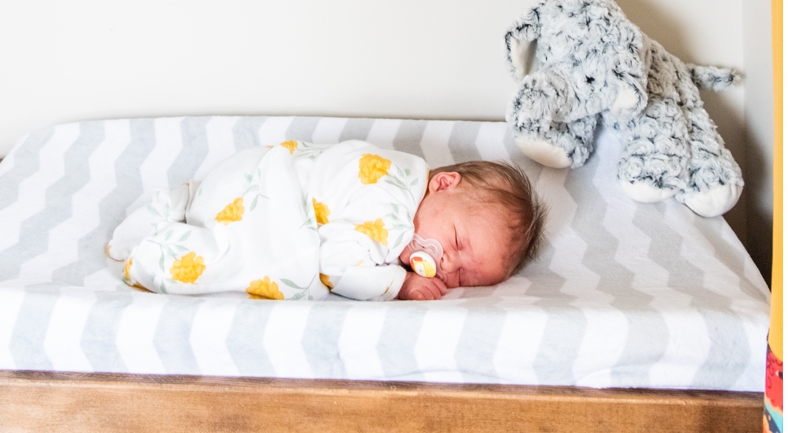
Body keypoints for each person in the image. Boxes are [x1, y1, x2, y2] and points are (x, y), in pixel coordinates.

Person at [106, 141, 545, 301]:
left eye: (465, 276)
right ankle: (158, 251)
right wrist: (400, 284)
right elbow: (336, 267)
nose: (447, 264)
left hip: (237, 179)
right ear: (444, 184)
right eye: (456, 241)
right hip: (265, 198)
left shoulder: (399, 171)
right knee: (267, 264)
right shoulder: (392, 211)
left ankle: (179, 206)